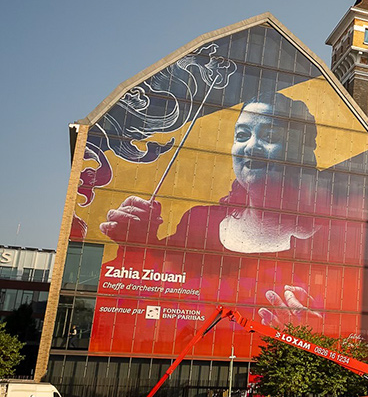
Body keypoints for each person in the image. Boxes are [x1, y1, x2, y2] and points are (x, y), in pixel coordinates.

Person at [99, 91, 331, 325]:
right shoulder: (199, 222)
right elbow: (144, 296)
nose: (251, 147)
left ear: (301, 153)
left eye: (269, 136)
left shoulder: (331, 238)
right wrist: (138, 242)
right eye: (242, 135)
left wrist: (312, 331)